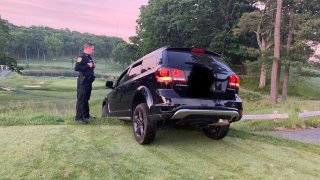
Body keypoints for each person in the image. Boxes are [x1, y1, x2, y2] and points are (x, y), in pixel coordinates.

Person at [75, 43, 96, 124]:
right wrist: (88, 66)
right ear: (87, 48)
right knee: (81, 99)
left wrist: (93, 65)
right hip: (83, 81)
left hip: (88, 81)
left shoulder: (88, 56)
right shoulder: (81, 57)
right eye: (92, 49)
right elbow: (77, 68)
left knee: (86, 99)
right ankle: (78, 118)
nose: (93, 51)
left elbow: (90, 66)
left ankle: (86, 115)